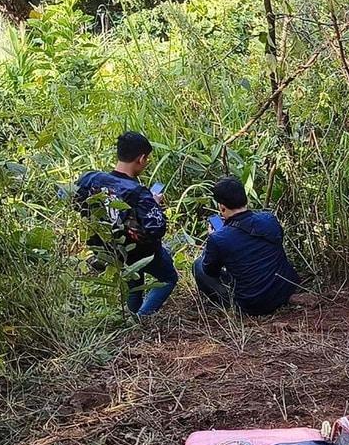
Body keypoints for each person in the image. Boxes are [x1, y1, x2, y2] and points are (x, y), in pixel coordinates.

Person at [73, 131, 176, 317]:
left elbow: (72, 200)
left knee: (133, 280)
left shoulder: (91, 179)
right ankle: (142, 317)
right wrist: (154, 203)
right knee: (168, 278)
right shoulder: (138, 193)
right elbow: (157, 229)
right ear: (141, 158)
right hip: (140, 251)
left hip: (108, 248)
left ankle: (130, 315)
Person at [193, 176, 300, 315]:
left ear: (222, 207)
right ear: (245, 199)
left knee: (198, 265)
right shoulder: (269, 219)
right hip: (285, 290)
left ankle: (228, 304)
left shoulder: (219, 238)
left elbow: (210, 271)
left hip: (253, 305)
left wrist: (213, 240)